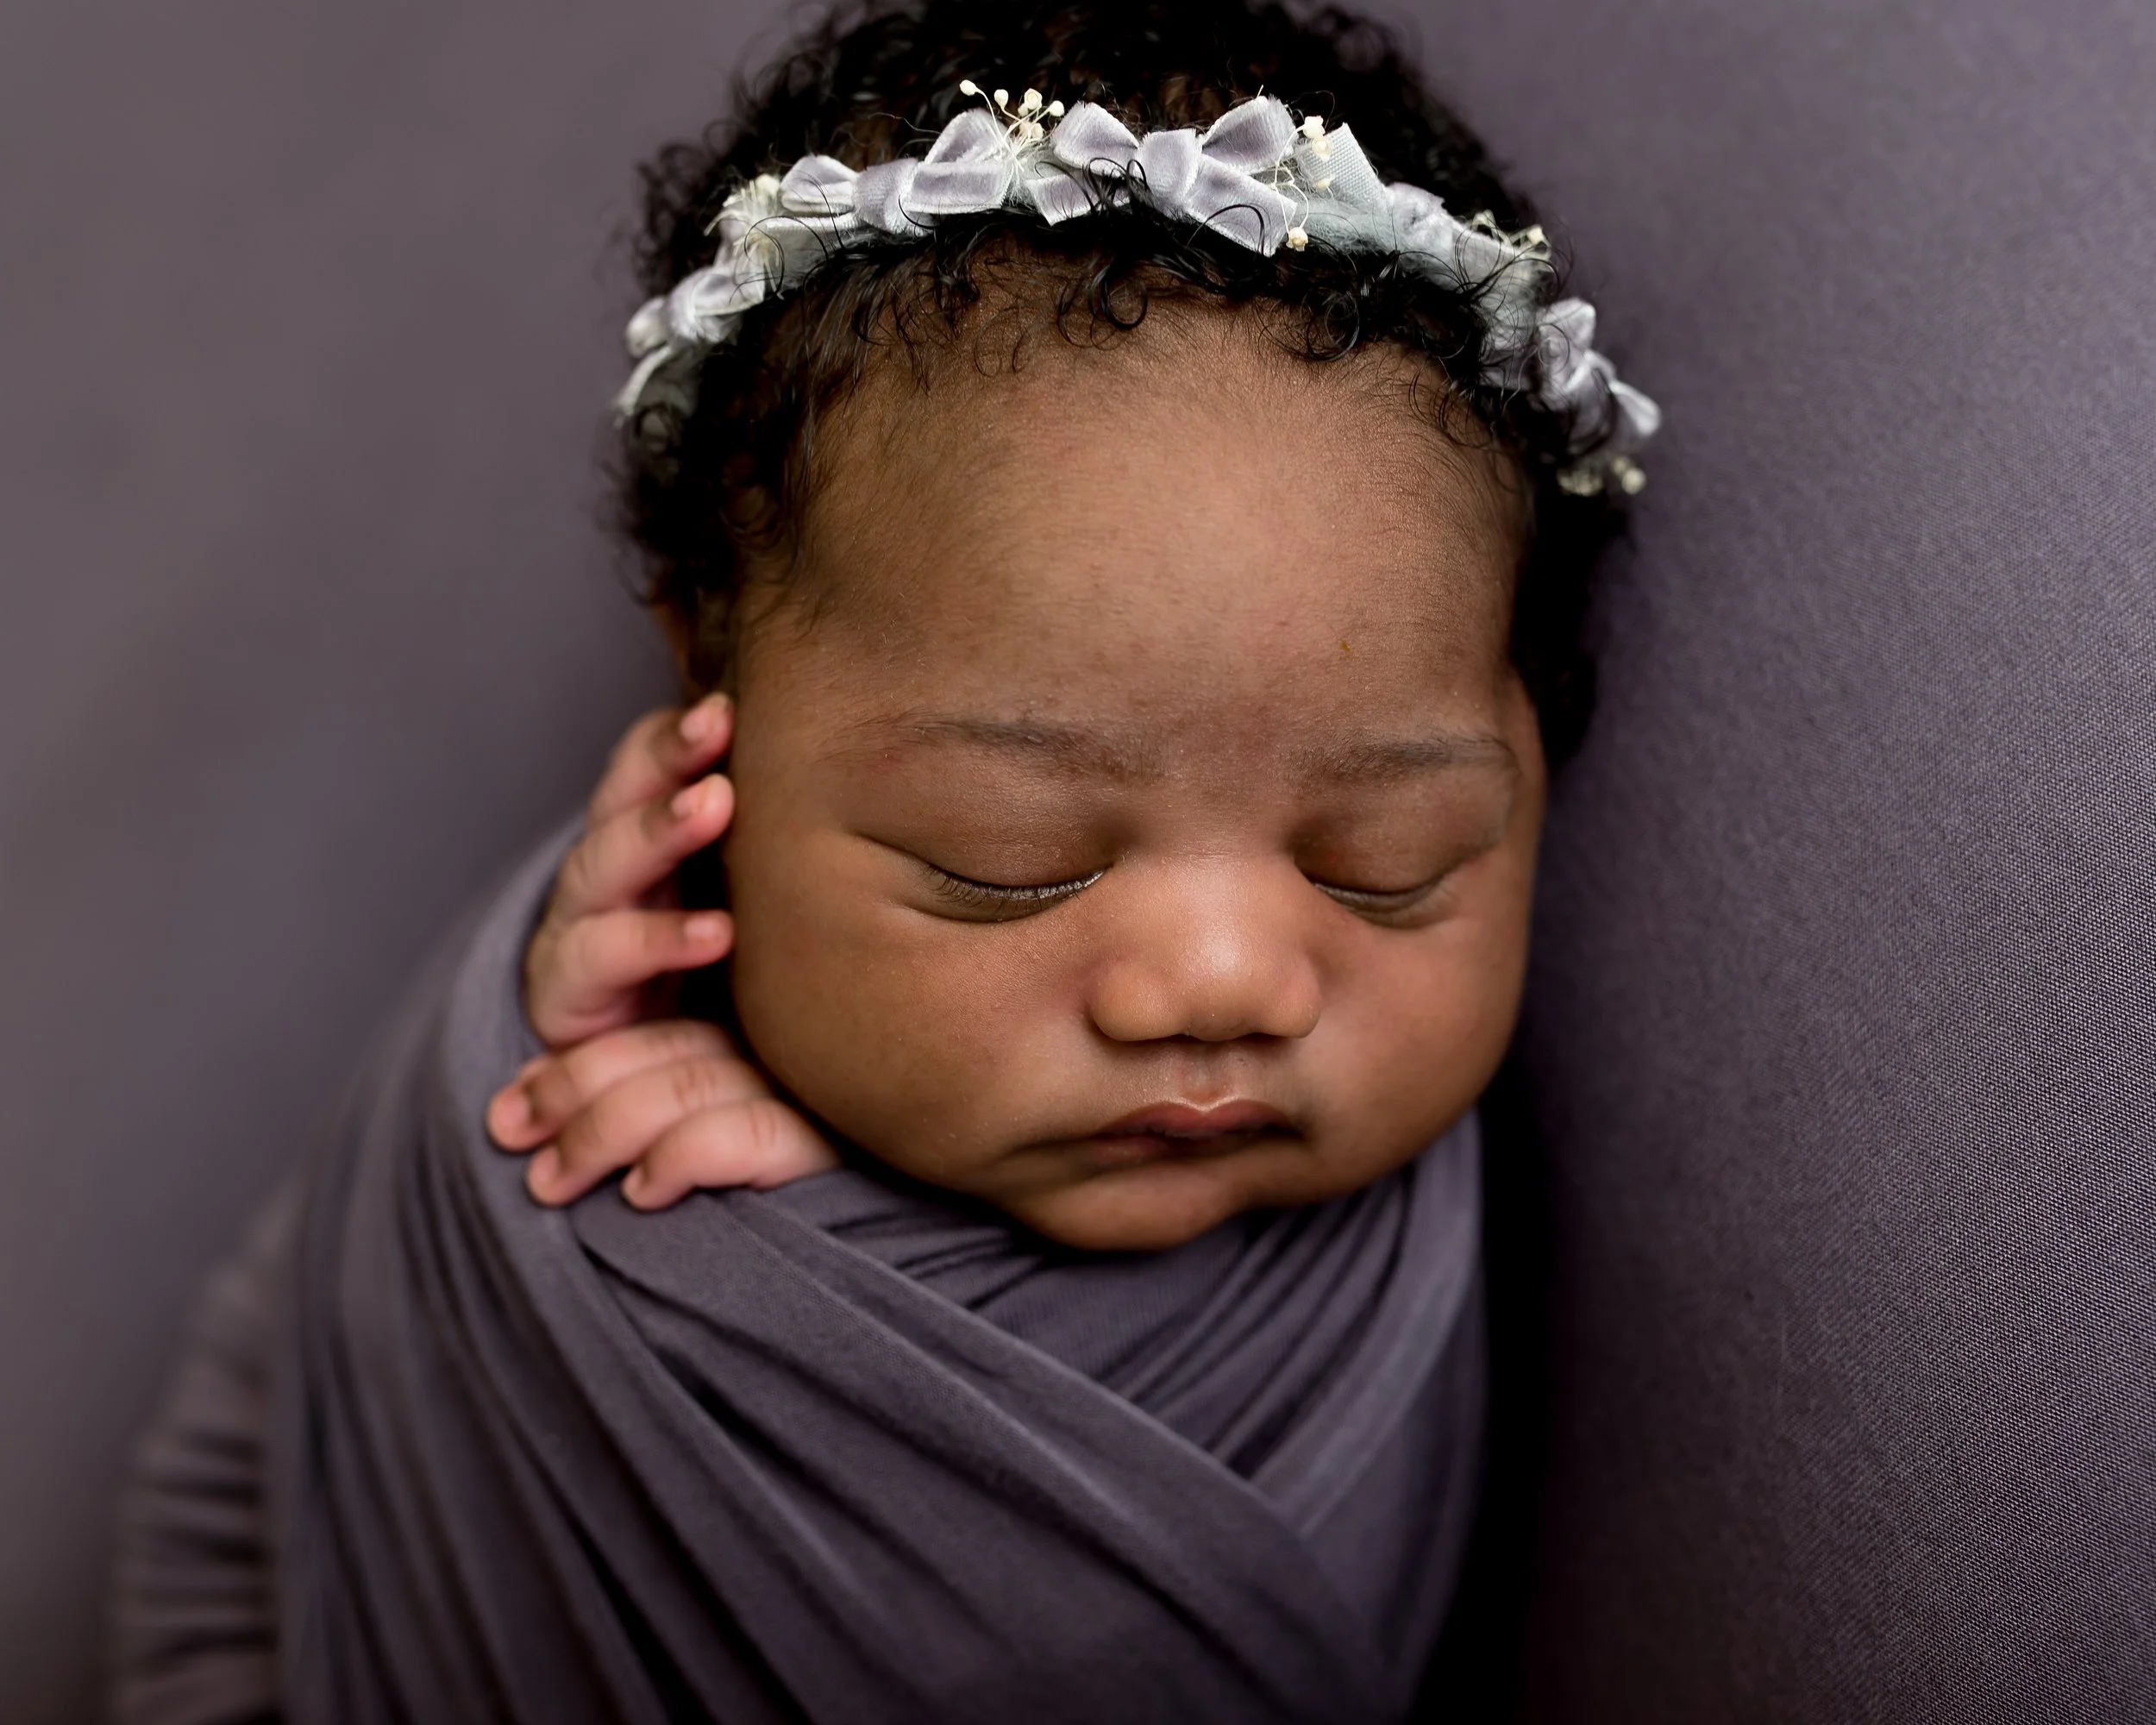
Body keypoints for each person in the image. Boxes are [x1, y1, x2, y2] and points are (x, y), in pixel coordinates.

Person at [110, 1, 1657, 1719]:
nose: (1222, 978)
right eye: (1007, 862)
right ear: (715, 706)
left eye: (1384, 857)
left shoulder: (1392, 1266)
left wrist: (843, 1225)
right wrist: (681, 1211)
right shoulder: (589, 1056)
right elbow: (309, 1416)